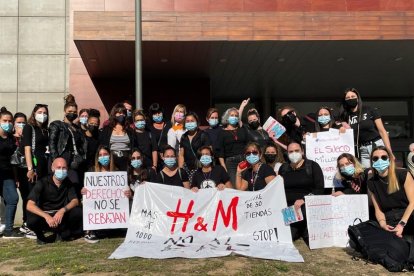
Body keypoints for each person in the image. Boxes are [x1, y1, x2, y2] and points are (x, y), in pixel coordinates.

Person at [26, 158, 83, 244]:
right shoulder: (42, 182)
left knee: (78, 211)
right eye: (58, 167)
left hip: (60, 216)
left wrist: (62, 210)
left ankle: (61, 232)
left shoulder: (68, 183)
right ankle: (40, 236)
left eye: (64, 168)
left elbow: (75, 201)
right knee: (31, 218)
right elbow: (29, 205)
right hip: (45, 216)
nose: (61, 170)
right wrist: (46, 216)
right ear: (52, 168)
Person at [278, 141, 324, 242]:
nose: (294, 153)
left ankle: (303, 227)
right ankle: (300, 228)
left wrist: (304, 200)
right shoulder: (283, 168)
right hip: (288, 209)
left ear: (302, 152)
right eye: (290, 152)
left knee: (309, 237)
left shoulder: (312, 166)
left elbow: (320, 189)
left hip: (306, 207)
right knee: (287, 237)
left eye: (296, 151)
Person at [339, 88, 393, 168]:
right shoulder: (346, 116)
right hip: (362, 148)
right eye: (348, 98)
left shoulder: (369, 110)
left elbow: (382, 131)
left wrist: (389, 151)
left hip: (376, 144)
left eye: (353, 96)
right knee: (367, 173)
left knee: (382, 169)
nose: (350, 99)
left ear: (358, 98)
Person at [368, 146, 414, 238]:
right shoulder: (371, 182)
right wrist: (383, 224)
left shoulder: (403, 174)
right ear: (372, 161)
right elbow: (378, 210)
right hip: (389, 219)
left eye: (384, 157)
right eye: (375, 158)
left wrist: (401, 224)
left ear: (389, 159)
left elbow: (413, 202)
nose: (379, 160)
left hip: (409, 217)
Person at [49, 95, 86, 197]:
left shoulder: (77, 128)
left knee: (74, 184)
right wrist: (55, 160)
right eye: (69, 112)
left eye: (74, 112)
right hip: (62, 157)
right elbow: (52, 143)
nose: (72, 114)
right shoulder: (57, 125)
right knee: (59, 186)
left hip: (74, 161)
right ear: (64, 111)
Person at [0, 107, 23, 238]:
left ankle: (8, 230)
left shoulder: (11, 138)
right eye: (4, 120)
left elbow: (14, 160)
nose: (7, 123)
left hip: (7, 174)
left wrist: (16, 178)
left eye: (10, 121)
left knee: (13, 198)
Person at [13, 112, 36, 238]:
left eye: (23, 122)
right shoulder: (12, 138)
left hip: (27, 172)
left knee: (29, 196)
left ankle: (27, 222)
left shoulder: (27, 136)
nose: (21, 125)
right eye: (19, 122)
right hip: (18, 173)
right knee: (25, 196)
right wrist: (16, 177)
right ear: (14, 124)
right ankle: (25, 223)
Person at [216, 107, 250, 186]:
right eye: (232, 115)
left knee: (246, 185)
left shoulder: (242, 129)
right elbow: (220, 152)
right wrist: (224, 167)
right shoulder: (222, 133)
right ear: (227, 118)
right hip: (231, 163)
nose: (234, 117)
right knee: (235, 185)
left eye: (236, 116)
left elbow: (248, 144)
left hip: (244, 160)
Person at [99, 103, 136, 171]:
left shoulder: (129, 130)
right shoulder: (107, 129)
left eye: (123, 113)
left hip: (126, 162)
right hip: (112, 162)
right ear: (114, 114)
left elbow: (134, 146)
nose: (121, 115)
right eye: (119, 113)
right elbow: (102, 145)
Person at [179, 112, 211, 182]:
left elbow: (209, 152)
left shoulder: (203, 135)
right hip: (187, 169)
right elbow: (181, 155)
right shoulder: (183, 137)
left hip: (201, 168)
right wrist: (180, 170)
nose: (190, 123)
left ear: (197, 122)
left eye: (192, 121)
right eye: (187, 121)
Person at [23, 104, 49, 183]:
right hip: (35, 163)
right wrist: (30, 169)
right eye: (40, 112)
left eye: (45, 113)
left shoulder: (46, 130)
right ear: (34, 113)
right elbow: (27, 149)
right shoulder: (29, 127)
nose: (42, 115)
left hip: (45, 163)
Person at [148, 103, 171, 170]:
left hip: (168, 158)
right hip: (155, 160)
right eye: (155, 113)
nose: (157, 115)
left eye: (159, 112)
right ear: (151, 115)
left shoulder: (169, 124)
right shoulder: (149, 127)